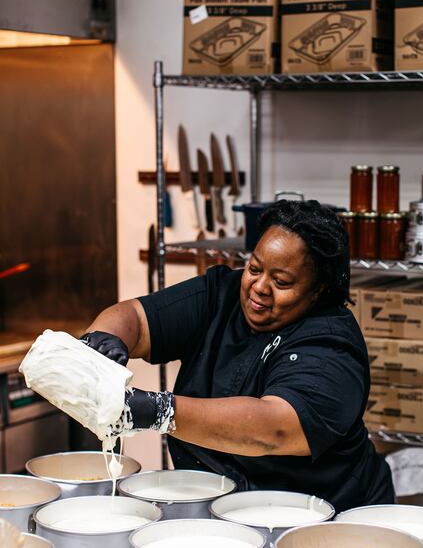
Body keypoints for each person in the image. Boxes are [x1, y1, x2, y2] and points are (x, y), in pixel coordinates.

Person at [83, 199, 394, 511]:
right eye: (254, 268)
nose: (259, 287)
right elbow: (135, 318)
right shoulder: (222, 294)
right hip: (225, 507)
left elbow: (274, 428)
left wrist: (159, 410)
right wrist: (103, 342)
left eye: (281, 282)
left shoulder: (332, 346)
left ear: (319, 290)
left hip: (320, 516)